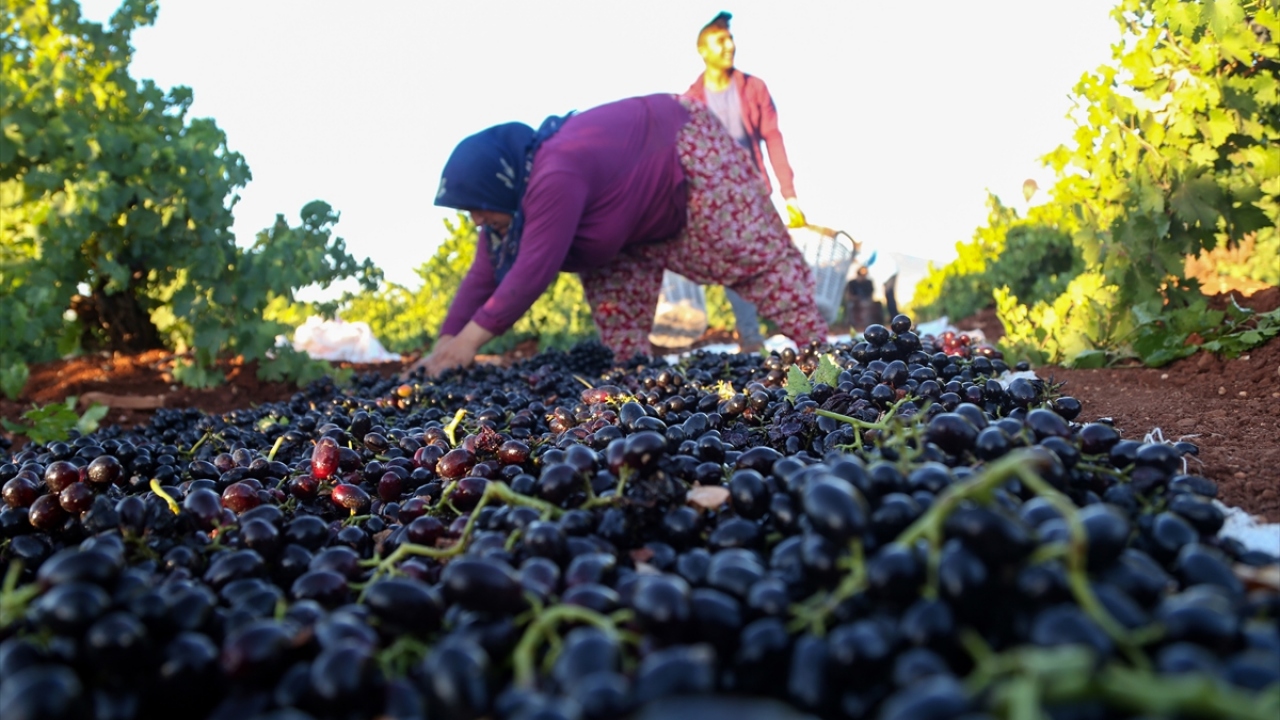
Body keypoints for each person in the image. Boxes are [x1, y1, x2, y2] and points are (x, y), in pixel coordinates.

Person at [408, 94, 828, 377]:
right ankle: (639, 397)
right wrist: (445, 344)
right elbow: (483, 277)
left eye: (477, 207)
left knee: (750, 252)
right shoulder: (507, 213)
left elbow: (532, 272)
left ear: (498, 183)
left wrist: (469, 344)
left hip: (680, 152)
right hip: (628, 227)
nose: (477, 219)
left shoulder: (554, 172)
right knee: (621, 333)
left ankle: (825, 359)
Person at [682, 11, 805, 353]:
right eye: (720, 41)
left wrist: (789, 194)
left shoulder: (754, 89)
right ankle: (751, 341)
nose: (730, 46)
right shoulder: (691, 102)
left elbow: (773, 138)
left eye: (731, 39)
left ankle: (798, 332)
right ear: (703, 51)